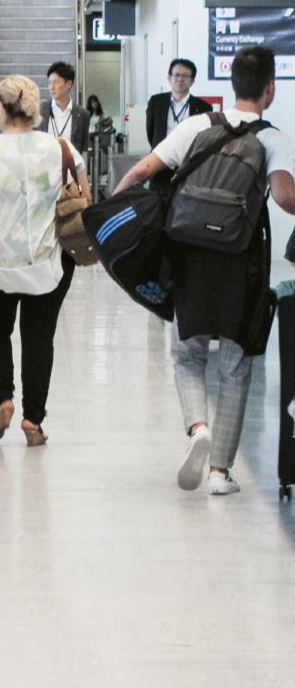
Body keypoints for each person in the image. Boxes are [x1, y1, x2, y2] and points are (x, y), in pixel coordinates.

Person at [114, 46, 295, 496]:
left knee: (187, 355)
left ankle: (198, 428)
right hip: (241, 262)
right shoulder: (272, 138)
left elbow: (140, 171)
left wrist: (111, 221)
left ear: (230, 86)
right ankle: (219, 473)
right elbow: (286, 195)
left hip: (189, 255)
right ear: (269, 89)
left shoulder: (196, 125)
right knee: (236, 363)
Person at [0, 75, 89, 447]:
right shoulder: (61, 149)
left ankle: (3, 400)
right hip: (45, 266)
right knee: (39, 339)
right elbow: (83, 200)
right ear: (33, 109)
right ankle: (33, 421)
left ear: (1, 109)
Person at [146, 58, 212, 192]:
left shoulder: (204, 107)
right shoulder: (156, 102)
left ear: (192, 81)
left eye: (185, 76)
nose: (180, 79)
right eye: (176, 75)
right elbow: (151, 132)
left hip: (189, 169)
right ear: (169, 78)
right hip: (160, 167)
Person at [41, 62, 90, 154]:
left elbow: (83, 149)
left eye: (56, 82)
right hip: (45, 167)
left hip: (71, 167)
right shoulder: (41, 110)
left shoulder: (82, 115)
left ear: (69, 84)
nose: (51, 87)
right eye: (50, 83)